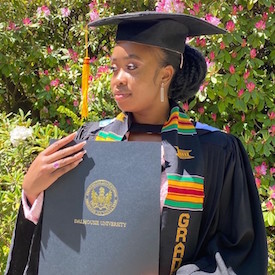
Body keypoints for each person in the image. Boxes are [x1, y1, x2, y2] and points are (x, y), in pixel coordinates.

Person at [5, 11, 268, 275]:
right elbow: (58, 243)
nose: (118, 79)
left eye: (132, 67)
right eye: (114, 68)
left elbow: (236, 254)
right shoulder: (91, 141)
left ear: (166, 75)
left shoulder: (214, 151)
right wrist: (31, 192)